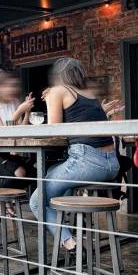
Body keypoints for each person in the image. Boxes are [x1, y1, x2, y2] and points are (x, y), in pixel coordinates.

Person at [30, 57, 120, 251]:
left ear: (58, 76)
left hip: (86, 163)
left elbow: (53, 130)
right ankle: (67, 219)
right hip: (111, 165)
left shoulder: (58, 91)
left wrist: (51, 100)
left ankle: (71, 244)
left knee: (36, 202)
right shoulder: (90, 95)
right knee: (54, 170)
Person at [0, 70, 36, 212]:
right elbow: (2, 133)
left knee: (37, 170)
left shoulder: (15, 102)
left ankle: (4, 199)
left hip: (6, 154)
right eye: (8, 86)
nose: (12, 90)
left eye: (14, 86)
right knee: (20, 172)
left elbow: (20, 131)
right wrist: (19, 111)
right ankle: (1, 201)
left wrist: (27, 112)